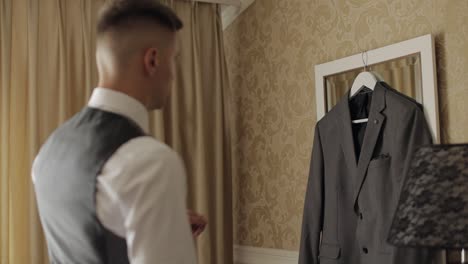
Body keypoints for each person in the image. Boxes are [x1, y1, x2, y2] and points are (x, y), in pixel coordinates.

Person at [32, 0, 206, 263]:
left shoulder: (49, 151)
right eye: (174, 60)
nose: (173, 75)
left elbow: (90, 227)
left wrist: (162, 223)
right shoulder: (150, 163)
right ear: (153, 60)